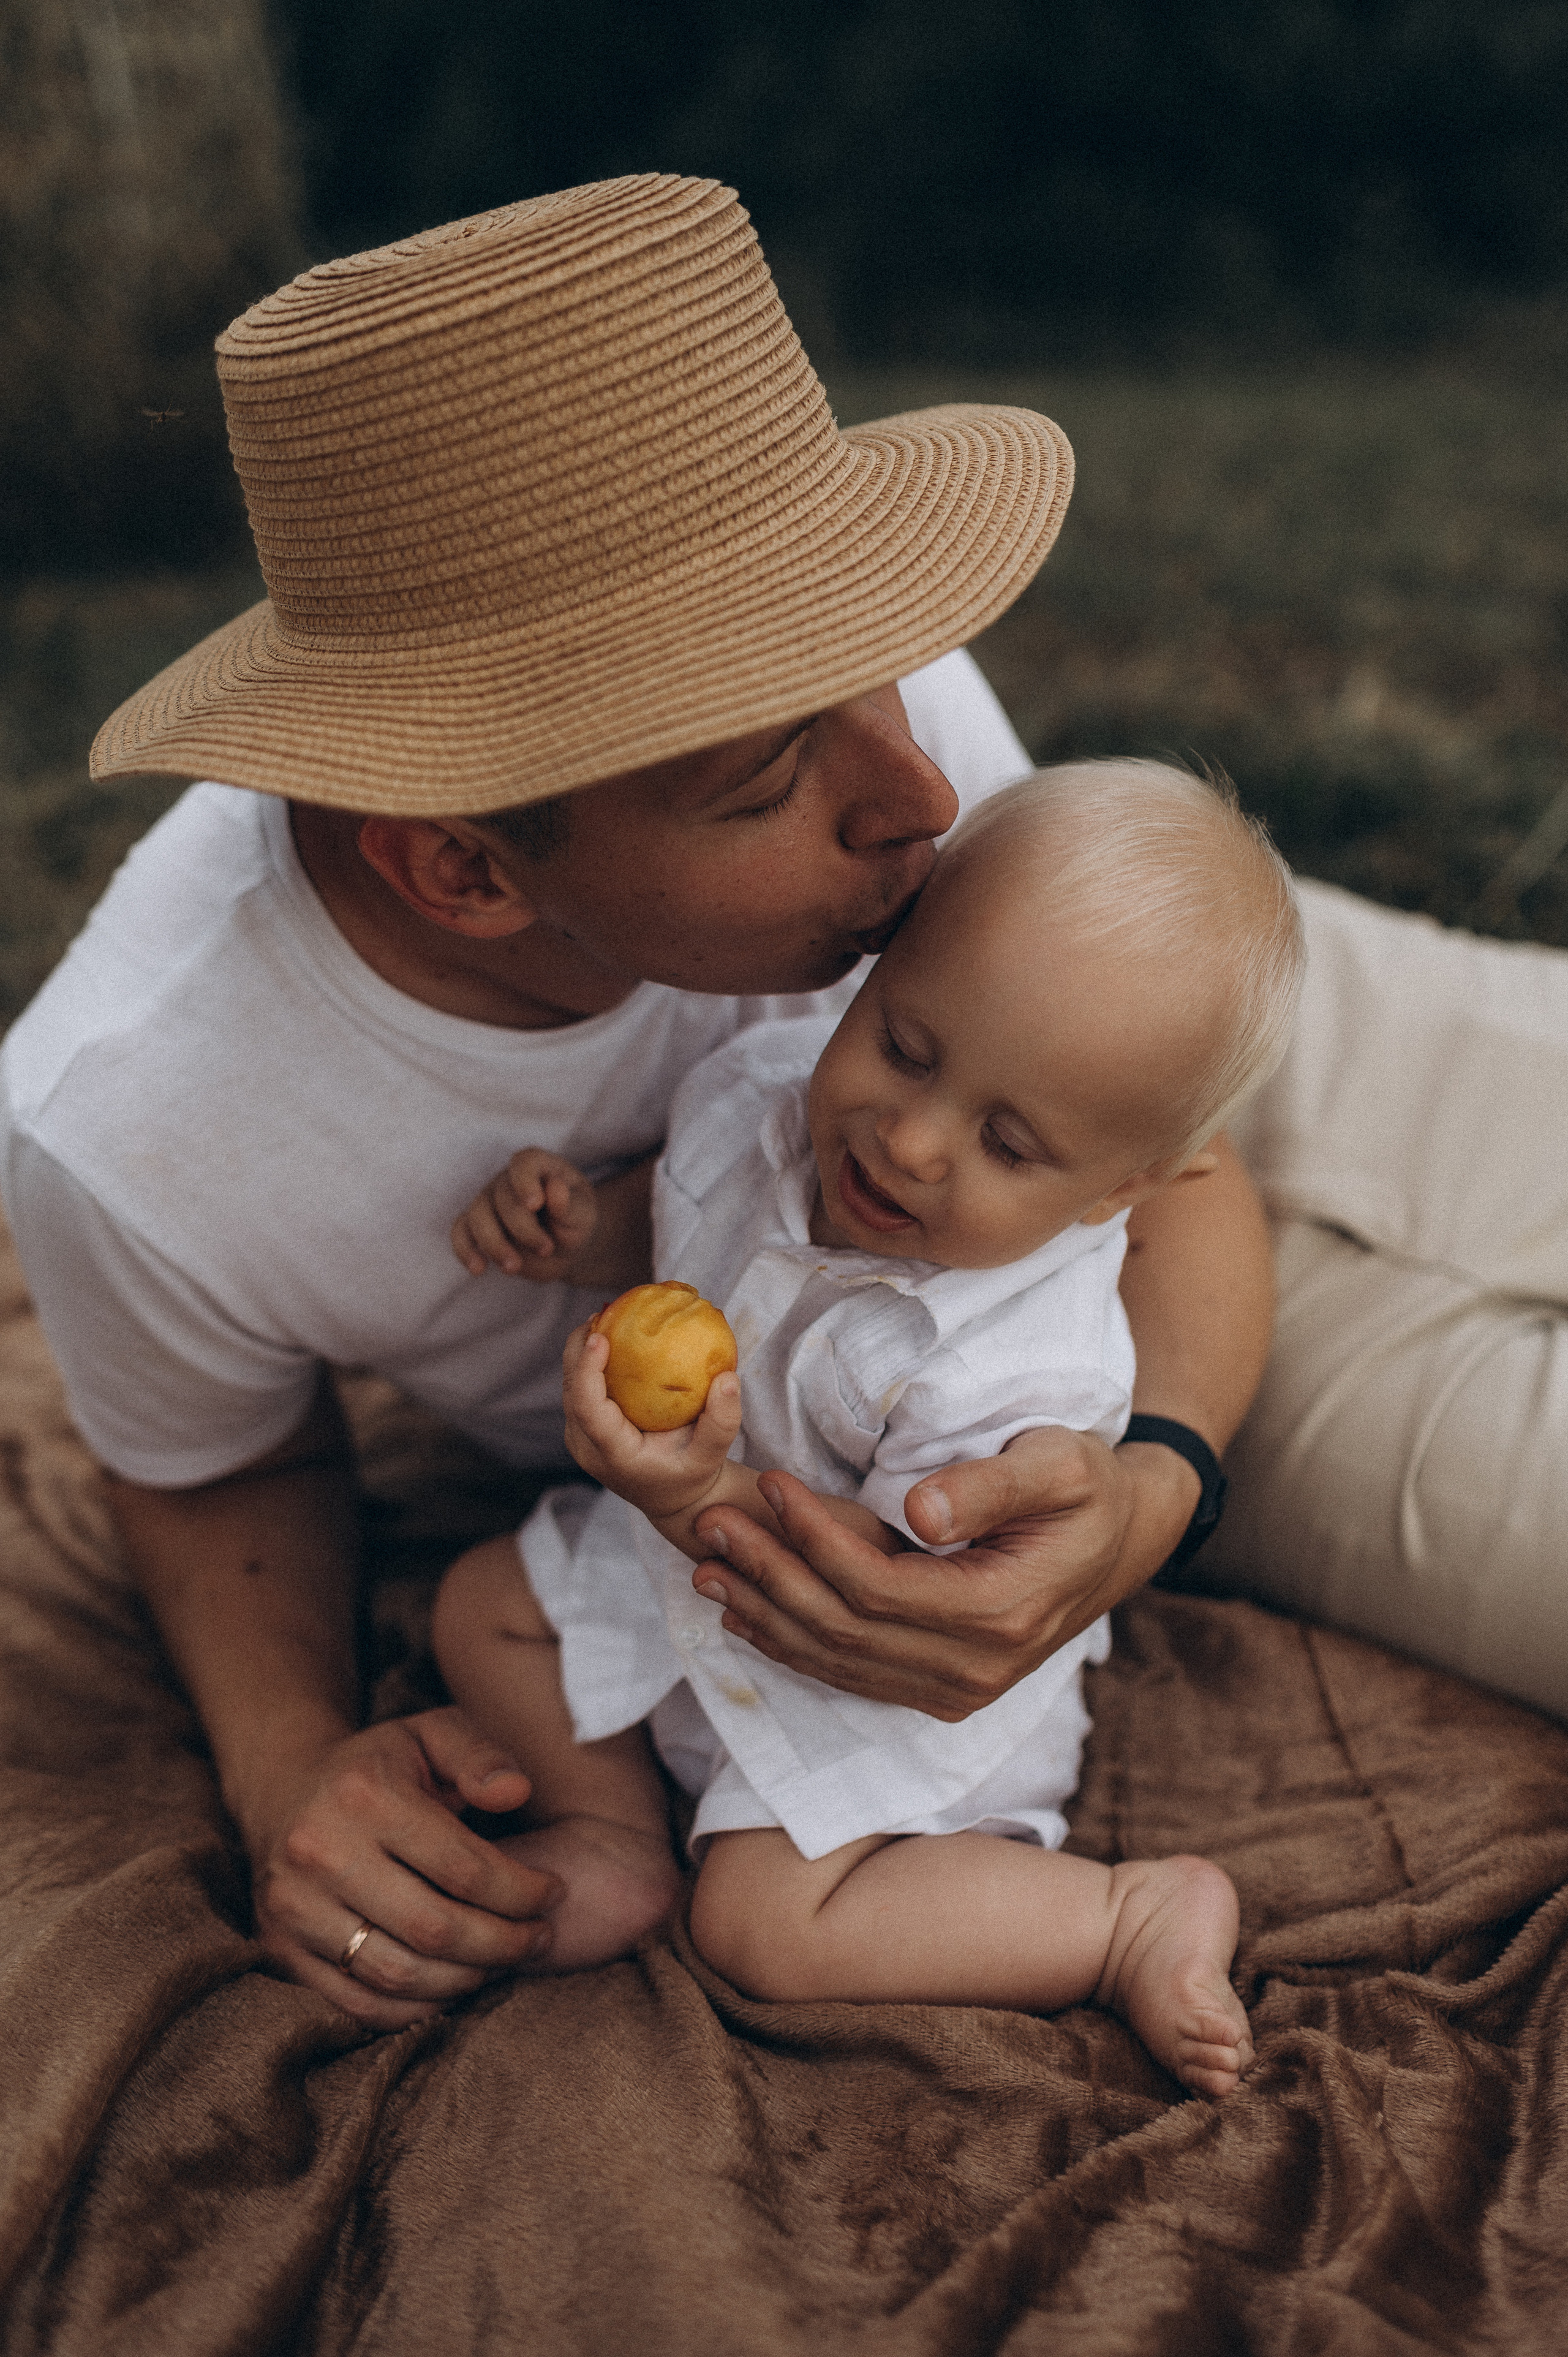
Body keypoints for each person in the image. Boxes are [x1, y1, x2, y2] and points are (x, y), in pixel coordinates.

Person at [0, 177, 1275, 2029]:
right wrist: (290, 1773)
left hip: (1130, 1058)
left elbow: (1193, 1164)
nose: (921, 795)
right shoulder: (131, 1134)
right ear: (461, 870)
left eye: (881, 668)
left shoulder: (867, 739)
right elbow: (220, 1463)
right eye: (765, 779)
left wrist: (1155, 1489)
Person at [432, 762, 1305, 2095]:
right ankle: (609, 1832)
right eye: (904, 1047)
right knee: (486, 1603)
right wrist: (577, 1229)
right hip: (682, 1567)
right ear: (883, 963)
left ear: (1120, 1193)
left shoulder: (1016, 1368)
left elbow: (884, 1595)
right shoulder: (759, 1097)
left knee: (766, 1927)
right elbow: (679, 1212)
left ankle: (1122, 1917)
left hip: (872, 1673)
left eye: (1007, 1143)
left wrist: (690, 1494)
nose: (909, 1141)